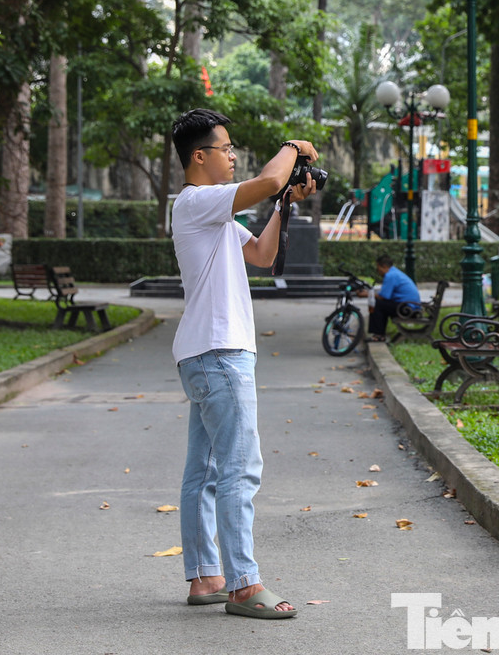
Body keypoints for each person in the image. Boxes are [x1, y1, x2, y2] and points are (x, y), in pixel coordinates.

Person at [169, 108, 318, 619]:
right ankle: (243, 584)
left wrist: (282, 205)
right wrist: (294, 147)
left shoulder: (211, 214)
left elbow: (261, 256)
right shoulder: (197, 202)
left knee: (205, 472)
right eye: (227, 148)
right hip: (221, 353)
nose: (233, 156)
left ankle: (206, 576)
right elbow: (272, 174)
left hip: (205, 353)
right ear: (200, 156)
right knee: (240, 469)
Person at [364, 254, 422, 342]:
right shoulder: (394, 272)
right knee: (381, 304)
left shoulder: (390, 275)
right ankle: (379, 333)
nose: (378, 271)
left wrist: (367, 294)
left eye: (378, 268)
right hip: (410, 307)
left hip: (407, 309)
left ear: (383, 266)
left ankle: (378, 335)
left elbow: (383, 297)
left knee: (377, 303)